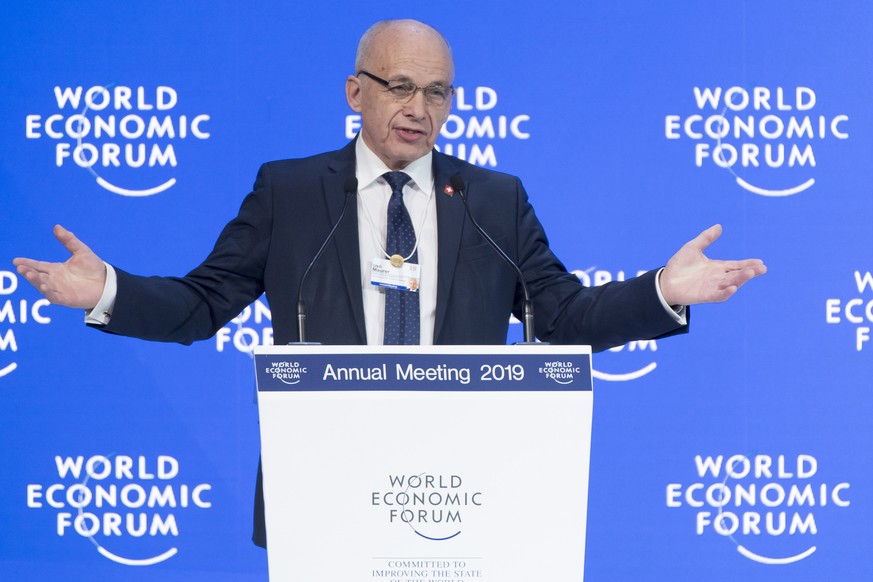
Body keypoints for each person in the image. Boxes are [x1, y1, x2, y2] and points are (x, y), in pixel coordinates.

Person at [13, 19, 766, 547]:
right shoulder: (290, 191)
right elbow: (205, 302)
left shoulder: (491, 198)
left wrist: (661, 289)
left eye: (437, 92)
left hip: (463, 488)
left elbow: (560, 316)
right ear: (355, 92)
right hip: (323, 479)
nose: (419, 109)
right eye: (400, 86)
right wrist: (108, 289)